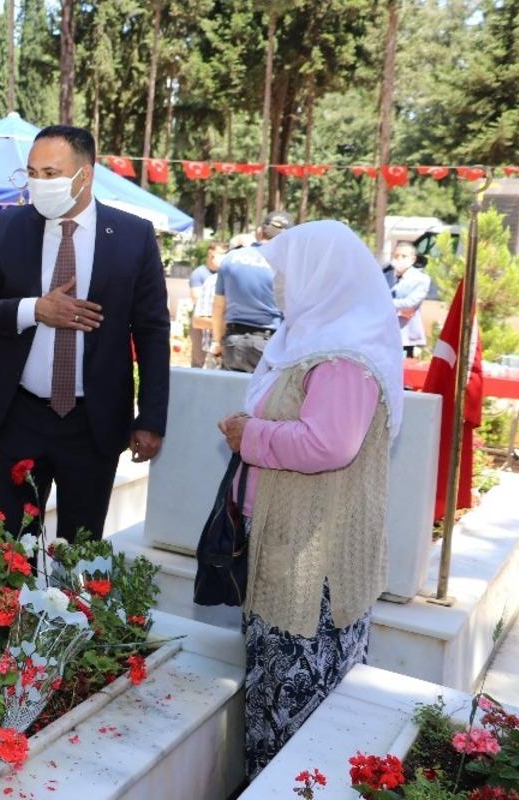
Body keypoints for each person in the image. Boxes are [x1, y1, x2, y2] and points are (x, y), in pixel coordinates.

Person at [215, 220, 403, 778]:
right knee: (279, 698)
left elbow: (330, 443)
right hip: (289, 543)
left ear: (321, 276)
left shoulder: (343, 358)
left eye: (284, 275)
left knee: (296, 714)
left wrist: (249, 435)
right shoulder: (317, 341)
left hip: (312, 566)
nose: (277, 286)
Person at [0, 125, 170, 543]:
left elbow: (152, 332)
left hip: (94, 422)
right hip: (19, 416)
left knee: (81, 550)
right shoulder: (10, 227)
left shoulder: (133, 236)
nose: (39, 184)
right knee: (15, 546)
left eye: (50, 173)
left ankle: (73, 609)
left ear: (84, 175)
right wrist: (35, 309)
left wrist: (151, 418)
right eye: (32, 173)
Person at [211, 212, 294, 373]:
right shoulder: (287, 265)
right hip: (268, 345)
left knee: (228, 396)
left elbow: (218, 307)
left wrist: (217, 342)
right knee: (261, 398)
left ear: (259, 232)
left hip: (233, 342)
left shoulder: (232, 258)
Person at [189, 241, 228, 368]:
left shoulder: (222, 276)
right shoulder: (200, 274)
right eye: (218, 254)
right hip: (202, 327)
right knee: (199, 362)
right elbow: (197, 299)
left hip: (212, 327)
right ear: (210, 253)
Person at [389, 242, 430, 357]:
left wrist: (386, 304)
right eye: (396, 256)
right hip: (385, 333)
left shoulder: (421, 279)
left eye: (403, 256)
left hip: (406, 335)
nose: (399, 259)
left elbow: (410, 303)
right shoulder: (385, 276)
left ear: (413, 259)